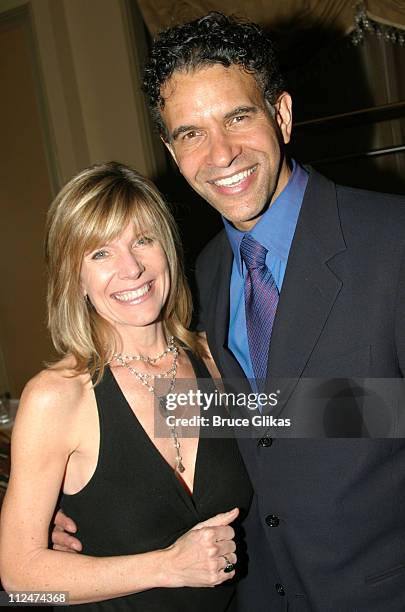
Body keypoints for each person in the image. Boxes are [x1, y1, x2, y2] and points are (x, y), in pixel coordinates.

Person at [52, 12, 405, 611]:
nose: (221, 154)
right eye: (190, 132)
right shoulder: (197, 275)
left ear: (283, 115)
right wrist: (95, 502)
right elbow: (217, 418)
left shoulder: (392, 241)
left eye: (238, 117)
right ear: (170, 149)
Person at [0, 161, 252, 610]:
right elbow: (22, 580)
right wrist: (167, 565)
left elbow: (328, 419)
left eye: (142, 240)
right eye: (100, 254)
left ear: (167, 248)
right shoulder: (57, 398)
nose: (131, 269)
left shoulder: (217, 359)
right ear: (74, 278)